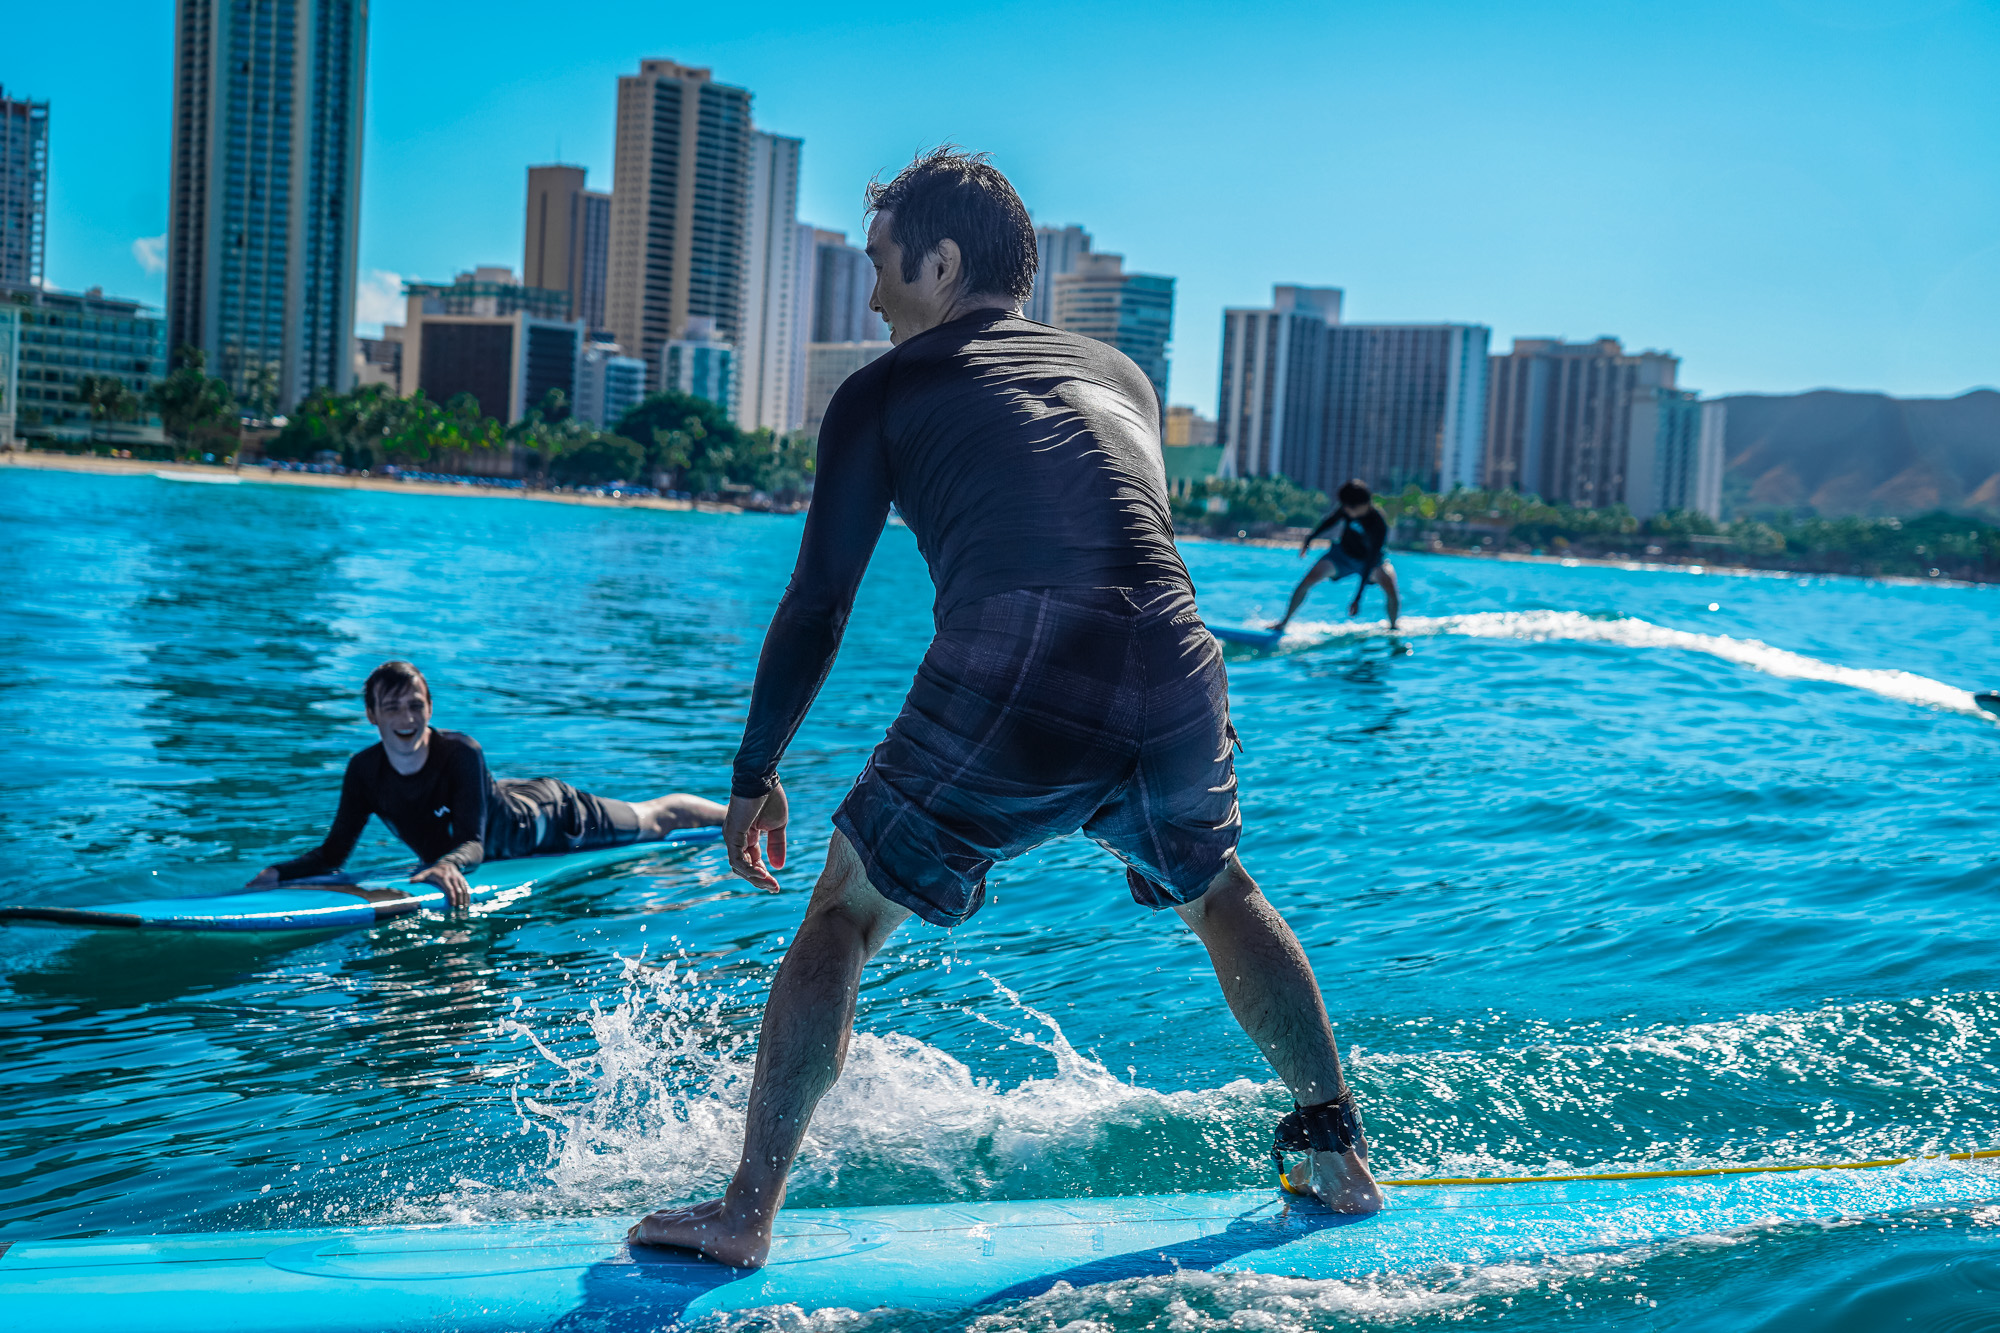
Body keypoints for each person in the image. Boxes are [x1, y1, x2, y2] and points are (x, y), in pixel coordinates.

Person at [628, 148, 1382, 1270]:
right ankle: (1334, 1152)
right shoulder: (1124, 376)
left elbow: (819, 601)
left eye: (883, 266)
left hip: (1026, 643)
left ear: (940, 260)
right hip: (1181, 652)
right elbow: (1118, 536)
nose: (875, 296)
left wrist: (754, 772)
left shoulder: (884, 387)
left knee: (840, 913)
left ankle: (743, 1216)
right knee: (1217, 888)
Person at [247, 661, 725, 906]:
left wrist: (446, 864)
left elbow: (473, 843)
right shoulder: (364, 771)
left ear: (429, 707)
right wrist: (279, 874)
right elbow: (333, 856)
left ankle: (742, 812)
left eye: (415, 705)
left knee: (658, 819)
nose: (406, 718)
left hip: (551, 819)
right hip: (497, 801)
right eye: (391, 708)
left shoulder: (460, 753)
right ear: (372, 715)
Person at [1273, 480, 1401, 631]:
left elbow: (1372, 559)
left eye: (1350, 508)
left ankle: (1393, 627)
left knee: (1390, 587)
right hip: (1342, 556)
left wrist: (1358, 598)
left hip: (1370, 562)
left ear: (1365, 504)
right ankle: (1283, 622)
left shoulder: (1378, 523)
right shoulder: (1347, 508)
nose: (1346, 510)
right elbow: (1330, 521)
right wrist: (1309, 539)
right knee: (1309, 579)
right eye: (1345, 507)